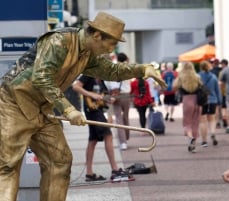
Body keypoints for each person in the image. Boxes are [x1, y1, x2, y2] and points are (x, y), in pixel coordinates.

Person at [0, 11, 166, 201]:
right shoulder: (59, 41)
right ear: (97, 35)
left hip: (41, 109)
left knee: (59, 161)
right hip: (13, 103)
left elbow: (111, 70)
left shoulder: (87, 53)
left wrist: (143, 69)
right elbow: (41, 76)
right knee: (7, 166)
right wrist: (68, 109)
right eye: (111, 43)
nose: (111, 50)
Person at [72, 75, 132, 182]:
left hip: (98, 110)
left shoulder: (101, 79)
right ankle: (115, 169)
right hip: (92, 111)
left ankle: (89, 174)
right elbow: (76, 86)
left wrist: (109, 99)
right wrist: (91, 94)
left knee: (93, 140)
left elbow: (103, 97)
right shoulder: (88, 75)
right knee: (108, 135)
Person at [172, 62, 202, 153]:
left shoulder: (181, 77)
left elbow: (174, 87)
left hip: (187, 100)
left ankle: (190, 137)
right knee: (195, 123)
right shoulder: (197, 76)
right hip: (198, 101)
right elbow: (201, 86)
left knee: (187, 123)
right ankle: (194, 145)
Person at [105, 52, 132, 151]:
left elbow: (108, 83)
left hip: (116, 95)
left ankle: (123, 142)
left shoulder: (113, 68)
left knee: (118, 118)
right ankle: (127, 137)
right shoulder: (128, 68)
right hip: (126, 95)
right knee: (126, 117)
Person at [198, 60, 222, 147]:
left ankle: (204, 141)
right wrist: (219, 101)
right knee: (212, 119)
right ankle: (212, 133)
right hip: (213, 100)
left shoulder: (198, 77)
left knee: (202, 121)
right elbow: (217, 90)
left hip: (202, 101)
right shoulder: (213, 77)